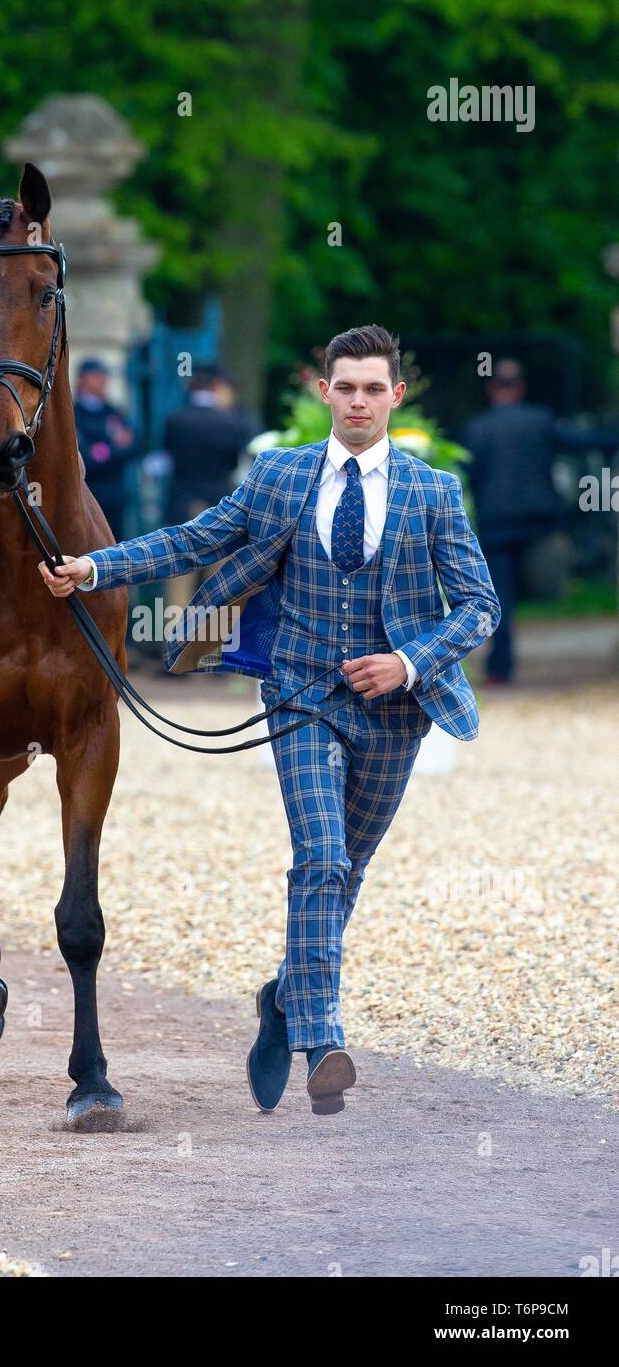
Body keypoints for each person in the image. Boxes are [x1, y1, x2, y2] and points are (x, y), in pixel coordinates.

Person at [40, 325, 499, 1118]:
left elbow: (480, 604)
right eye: (344, 387)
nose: (358, 401)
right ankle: (322, 1041)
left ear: (395, 396)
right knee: (319, 858)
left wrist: (410, 662)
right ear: (324, 392)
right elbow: (199, 537)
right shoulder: (280, 474)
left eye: (372, 389)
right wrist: (95, 567)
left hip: (395, 714)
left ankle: (283, 996)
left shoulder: (433, 492)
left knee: (345, 874)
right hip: (299, 693)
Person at [463, 359, 564, 684]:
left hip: (496, 525)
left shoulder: (477, 427)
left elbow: (470, 475)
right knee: (542, 585)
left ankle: (500, 667)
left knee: (500, 597)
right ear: (521, 387)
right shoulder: (542, 420)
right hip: (538, 524)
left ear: (491, 388)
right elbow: (579, 442)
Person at [161, 365, 256, 615]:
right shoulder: (232, 423)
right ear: (216, 387)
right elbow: (236, 464)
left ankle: (173, 646)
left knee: (179, 580)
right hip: (219, 506)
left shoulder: (175, 419)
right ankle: (210, 649)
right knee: (218, 586)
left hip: (182, 505)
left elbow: (168, 456)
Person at [73, 358, 138, 541]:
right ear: (82, 380)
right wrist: (113, 447)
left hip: (114, 497)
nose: (103, 381)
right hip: (88, 496)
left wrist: (102, 450)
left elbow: (133, 447)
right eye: (97, 376)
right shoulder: (73, 413)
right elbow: (85, 458)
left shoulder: (113, 412)